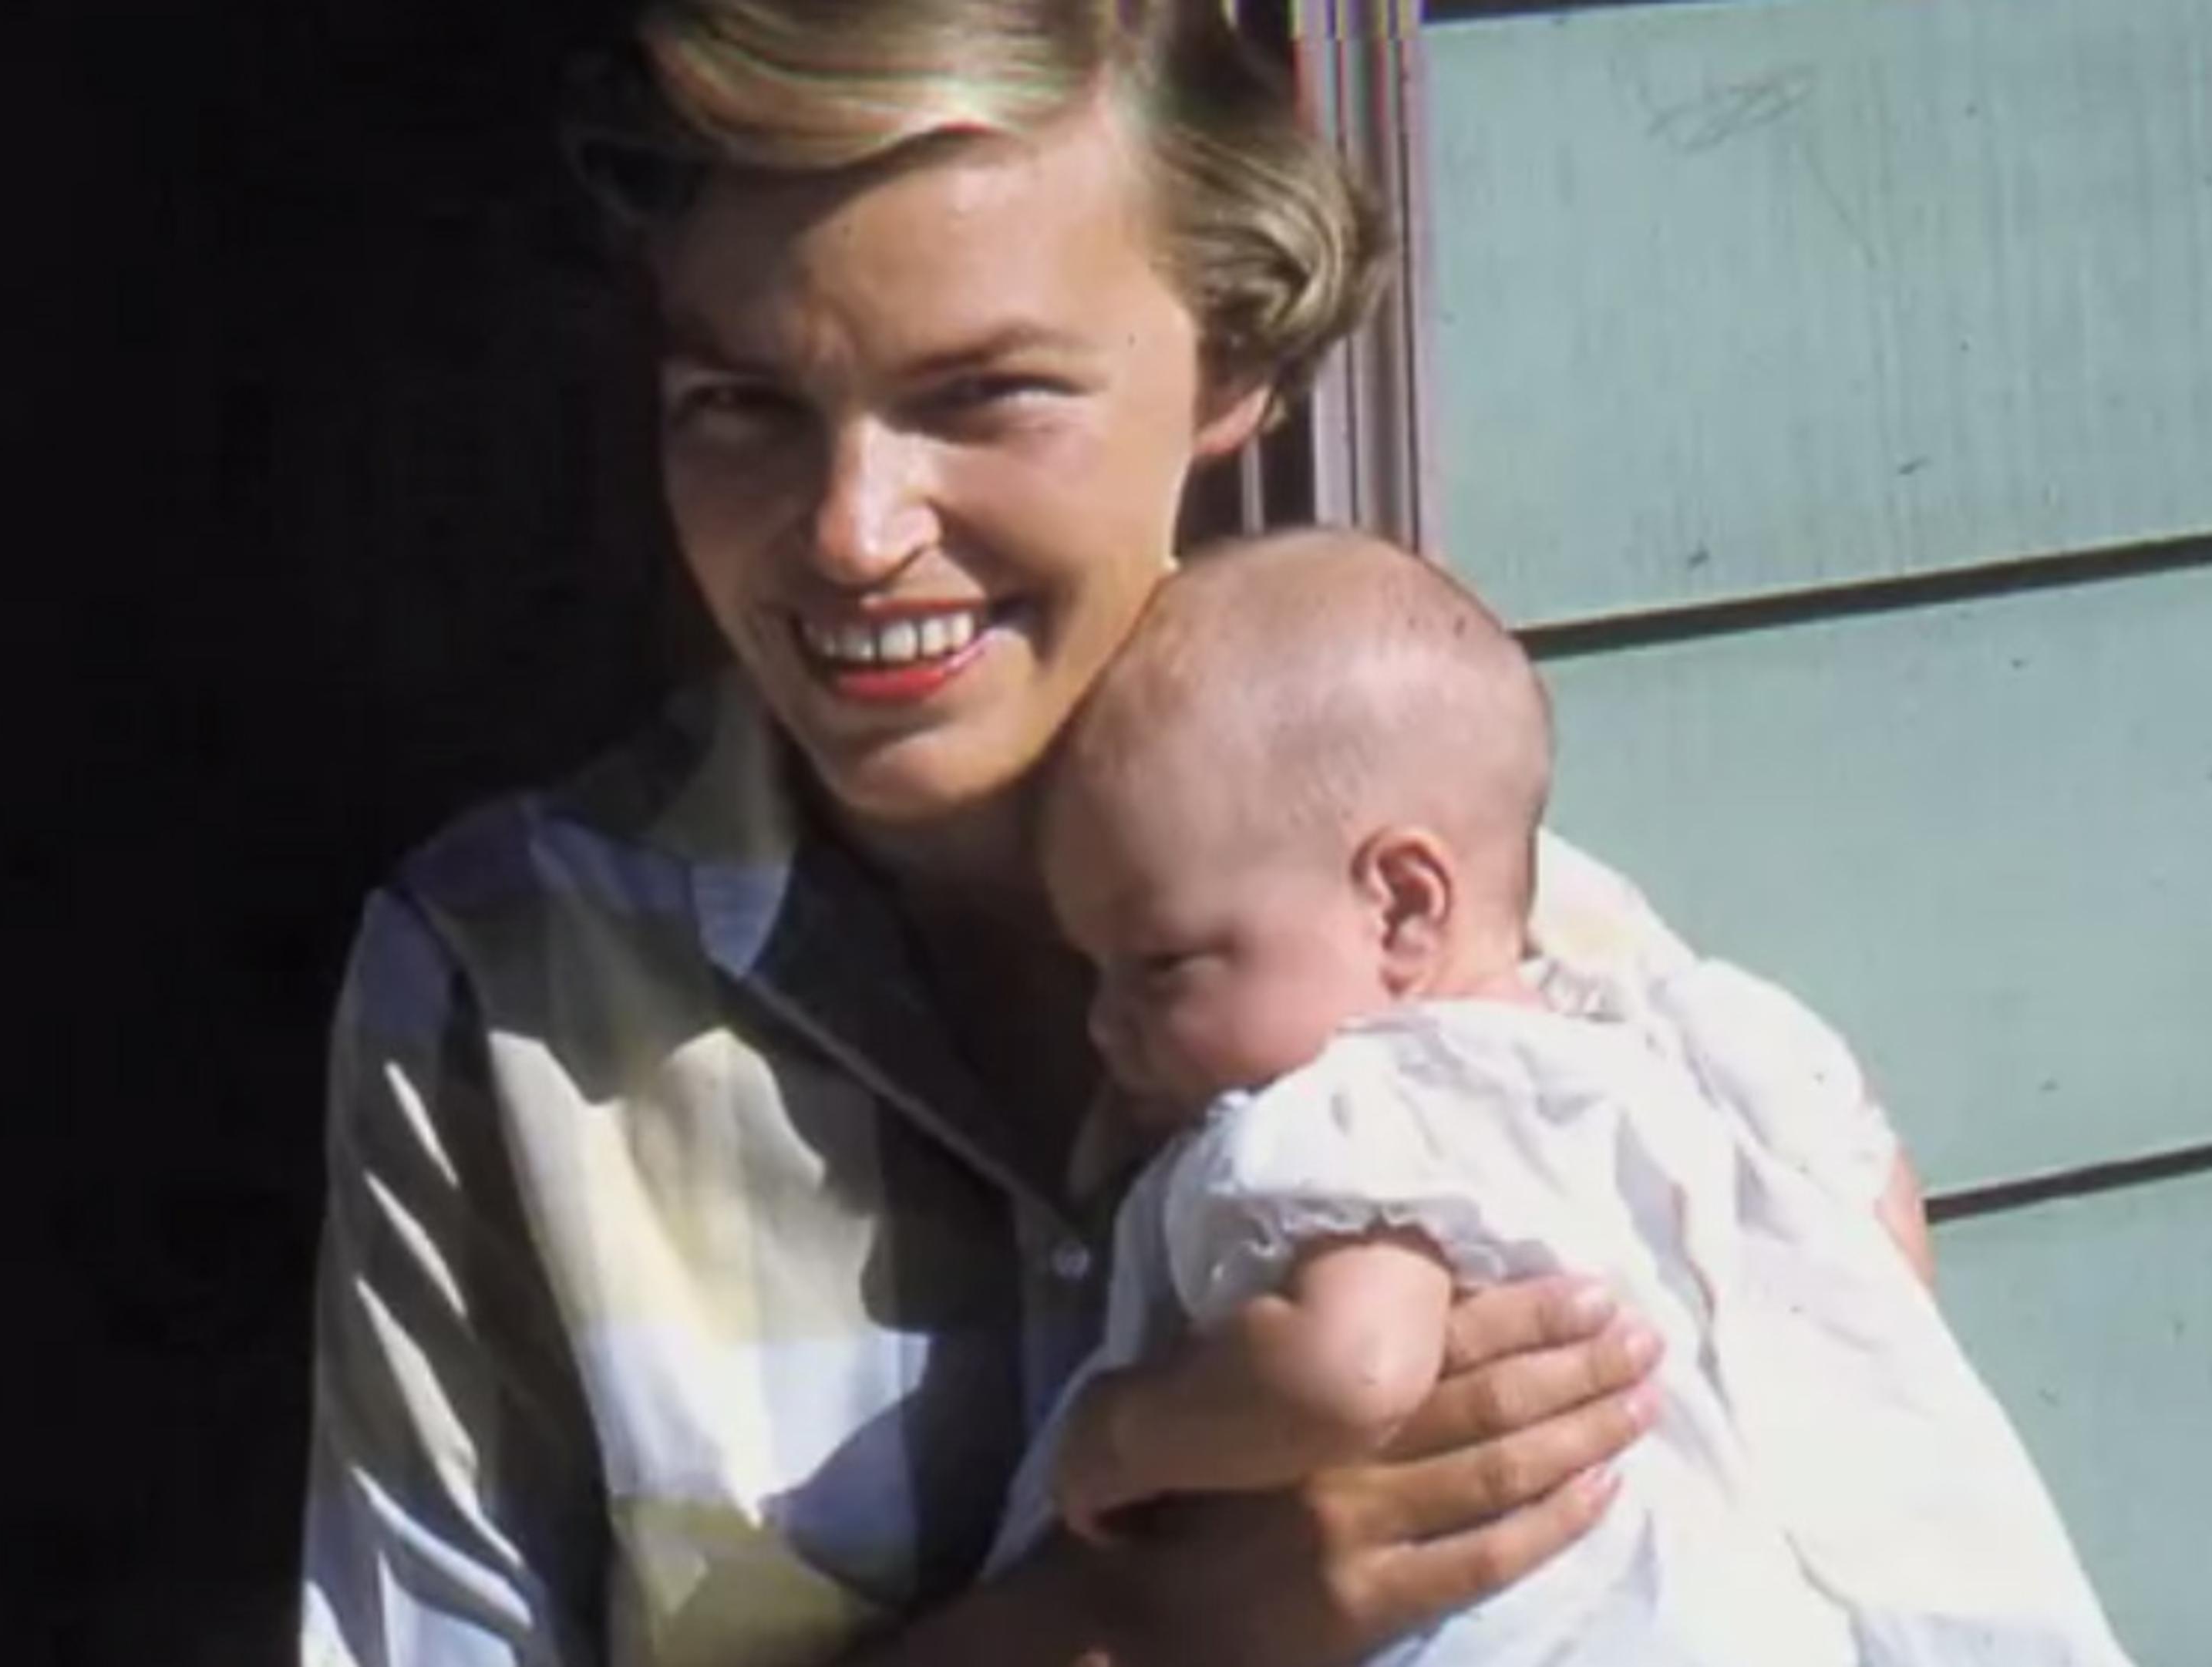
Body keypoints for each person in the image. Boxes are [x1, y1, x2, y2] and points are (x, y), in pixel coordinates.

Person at [307, 2, 1776, 1662]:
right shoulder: (510, 993)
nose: (854, 534)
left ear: (1235, 364)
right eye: (740, 401)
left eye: (985, 393)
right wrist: (1133, 1630)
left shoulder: (1530, 979)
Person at [993, 531, 2128, 1664]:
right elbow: (1880, 1235)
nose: (1106, 1023)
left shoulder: (1354, 1115)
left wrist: (1125, 1435)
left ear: (1399, 906)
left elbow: (1353, 1369)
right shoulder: (1678, 1048)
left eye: (1159, 965)